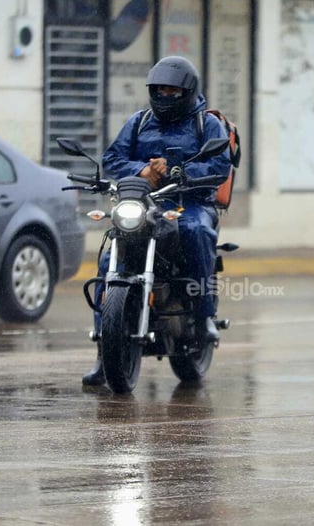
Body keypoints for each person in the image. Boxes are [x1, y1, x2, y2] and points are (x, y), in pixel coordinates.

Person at [82, 55, 232, 386]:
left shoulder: (207, 125)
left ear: (188, 92)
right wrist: (142, 171)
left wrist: (181, 171)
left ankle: (205, 315)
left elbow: (220, 167)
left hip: (190, 203)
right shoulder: (138, 122)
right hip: (143, 202)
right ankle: (103, 351)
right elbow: (112, 158)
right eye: (159, 90)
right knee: (110, 258)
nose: (165, 96)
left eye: (172, 91)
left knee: (193, 230)